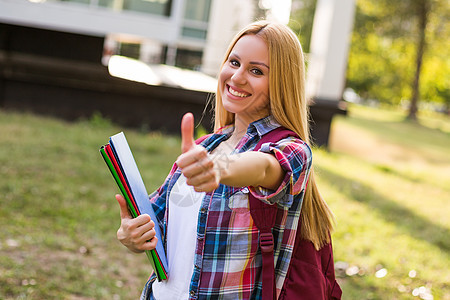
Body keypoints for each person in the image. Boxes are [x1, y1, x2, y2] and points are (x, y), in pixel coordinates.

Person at [115, 20, 339, 299]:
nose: (238, 77)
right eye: (234, 62)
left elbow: (264, 167)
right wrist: (131, 235)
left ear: (282, 82)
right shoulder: (204, 147)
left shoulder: (294, 150)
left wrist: (220, 168)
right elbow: (156, 223)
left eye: (256, 70)